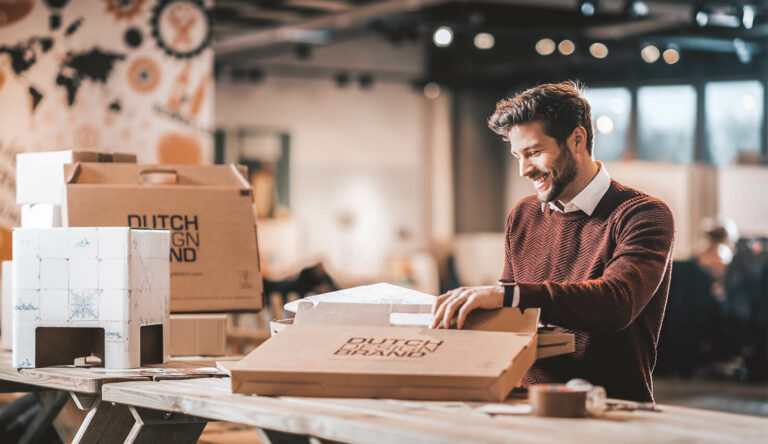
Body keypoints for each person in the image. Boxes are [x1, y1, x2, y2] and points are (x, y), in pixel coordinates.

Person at [431, 81, 675, 403]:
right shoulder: (523, 215)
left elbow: (616, 302)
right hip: (523, 405)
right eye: (518, 155)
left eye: (533, 153)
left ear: (577, 139)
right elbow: (513, 317)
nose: (524, 170)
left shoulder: (642, 214)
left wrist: (507, 295)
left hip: (611, 411)